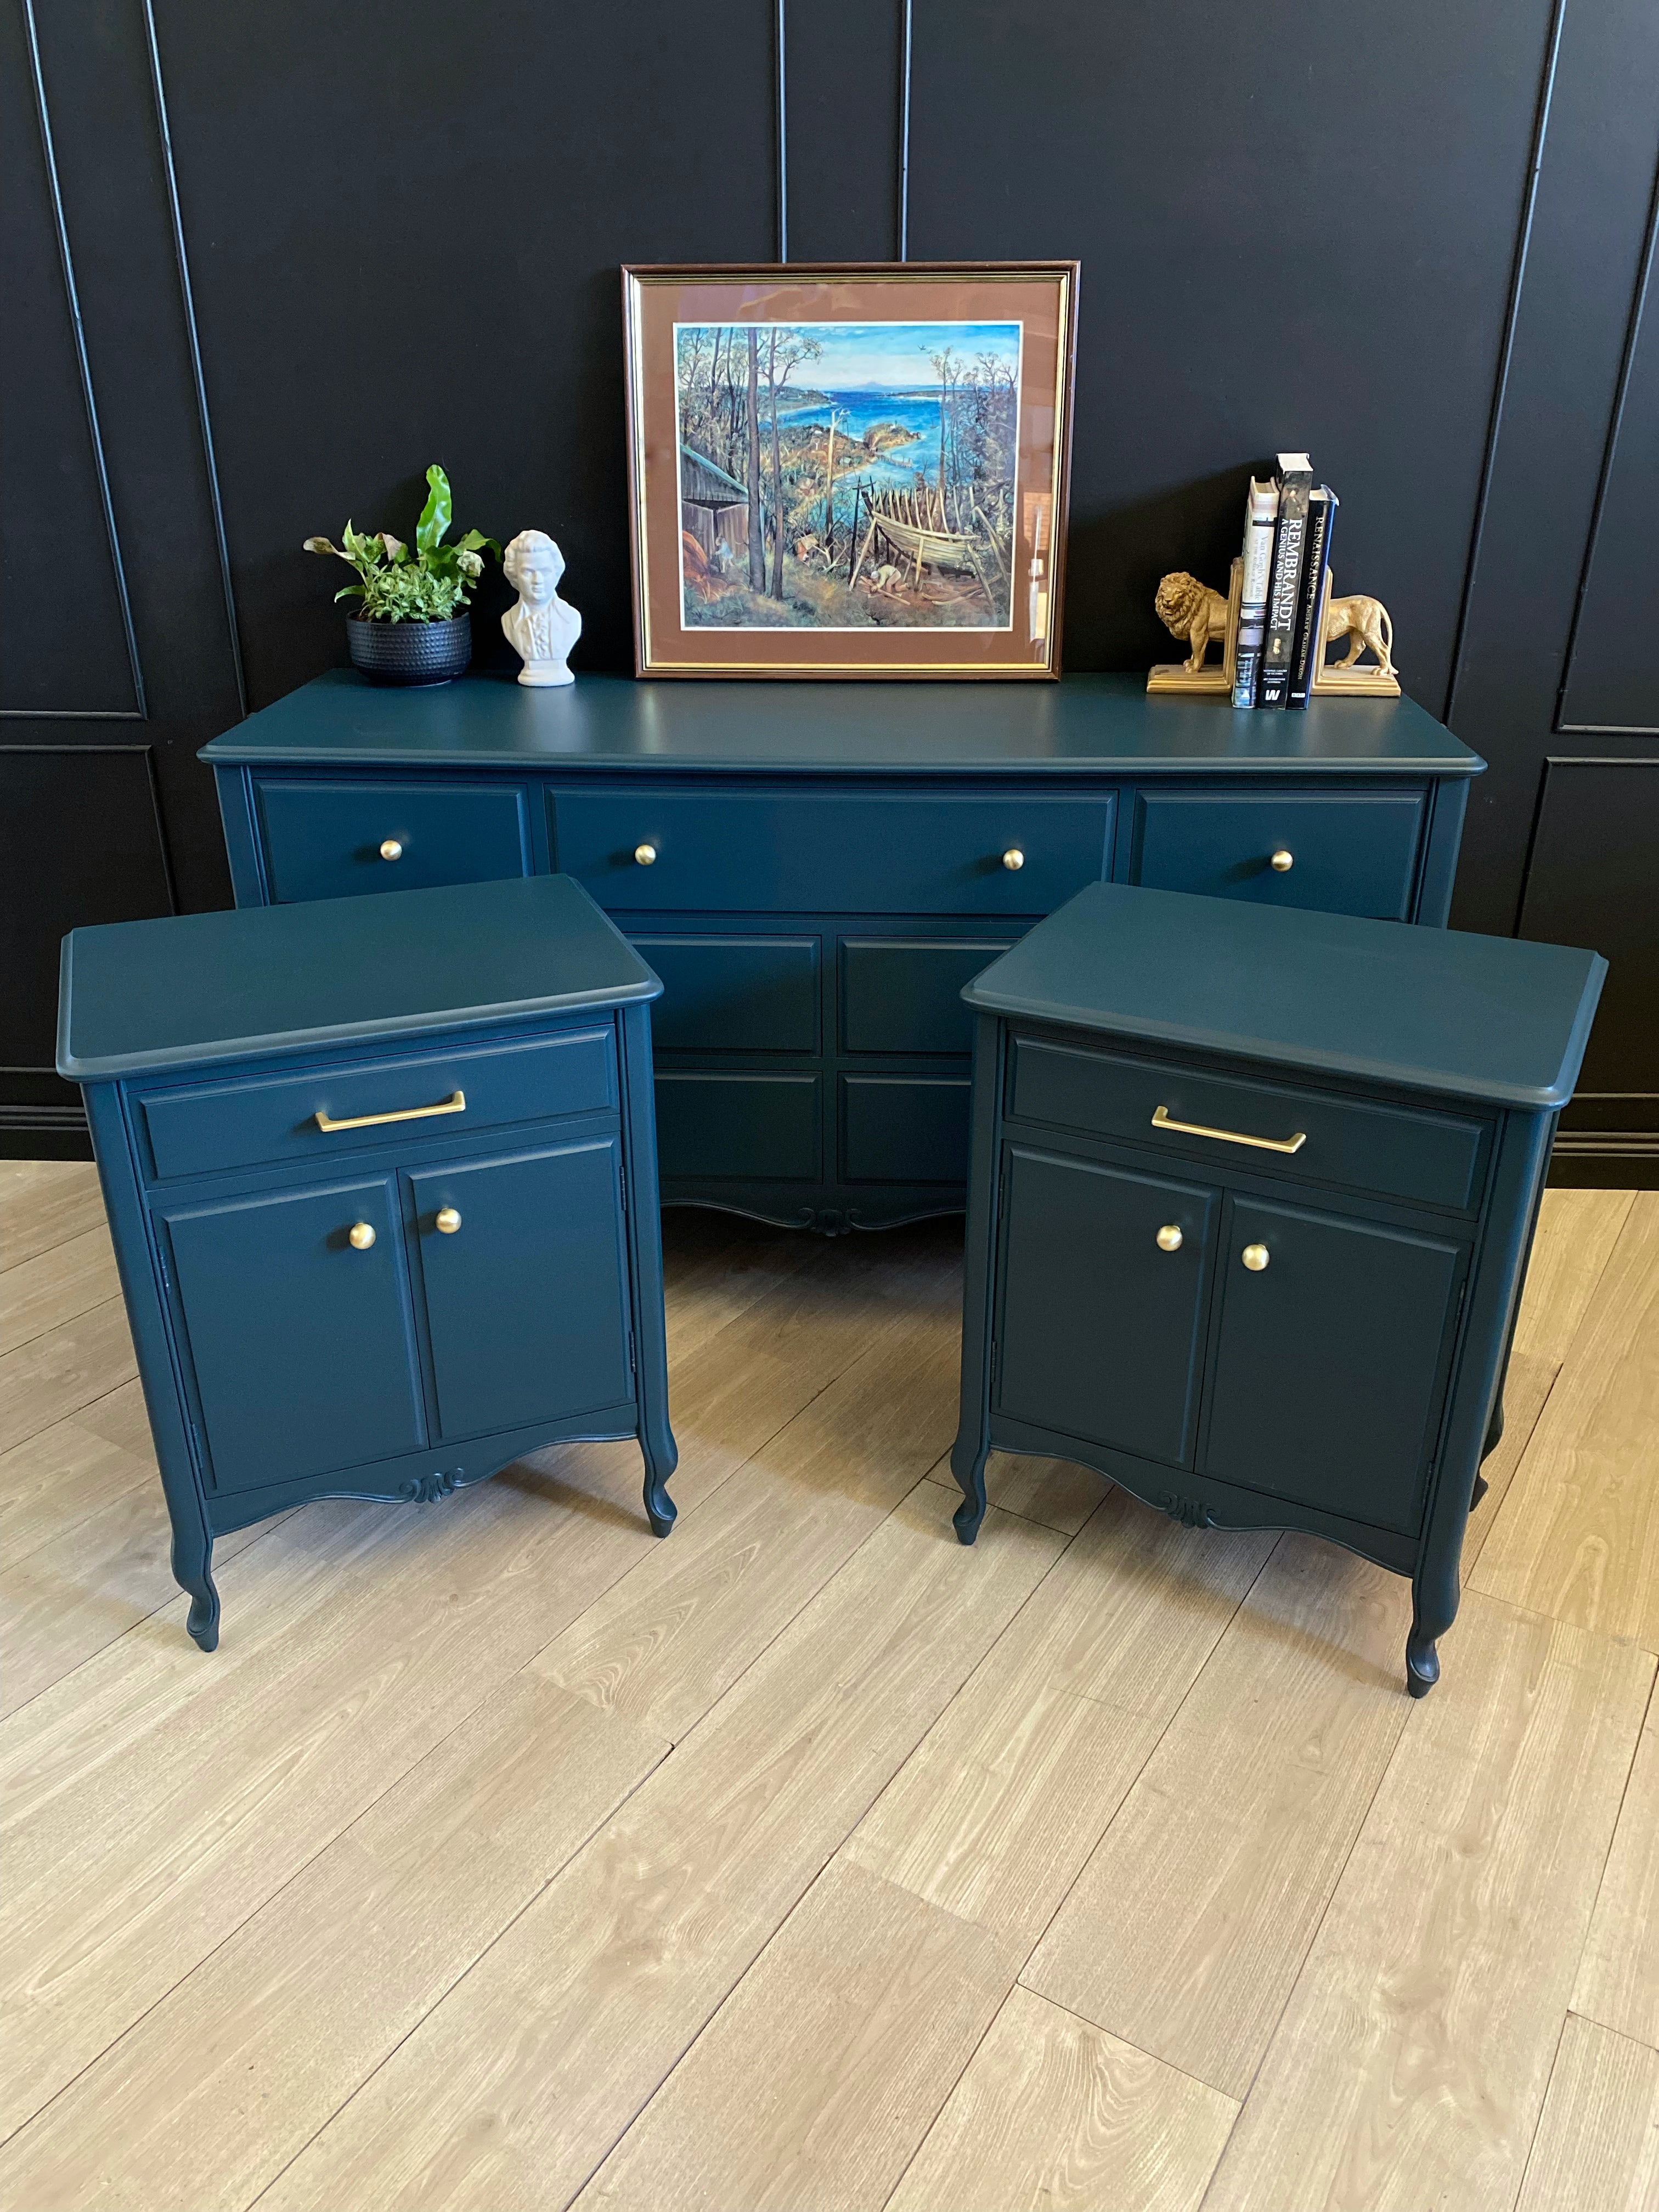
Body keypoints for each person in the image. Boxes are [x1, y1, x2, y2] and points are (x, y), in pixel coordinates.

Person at [501, 530, 580, 686]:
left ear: (556, 573)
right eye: (528, 572)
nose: (538, 581)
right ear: (514, 576)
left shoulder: (571, 619)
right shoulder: (509, 621)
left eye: (545, 572)